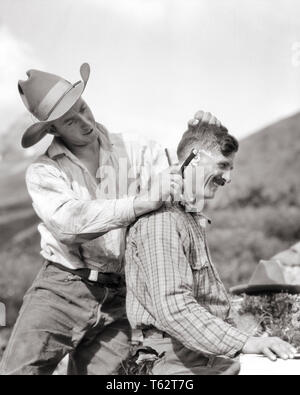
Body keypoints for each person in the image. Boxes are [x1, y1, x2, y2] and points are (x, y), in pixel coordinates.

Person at [0, 62, 218, 375]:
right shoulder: (44, 171)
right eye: (70, 120)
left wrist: (198, 143)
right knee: (20, 370)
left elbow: (180, 186)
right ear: (52, 130)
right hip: (62, 287)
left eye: (83, 108)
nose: (85, 121)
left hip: (122, 292)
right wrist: (141, 202)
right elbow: (69, 223)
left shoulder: (137, 149)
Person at [125, 121, 297, 375]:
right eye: (222, 166)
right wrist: (247, 343)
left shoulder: (189, 217)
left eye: (231, 168)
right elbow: (174, 308)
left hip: (202, 352)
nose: (228, 178)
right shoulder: (162, 220)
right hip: (174, 359)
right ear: (194, 160)